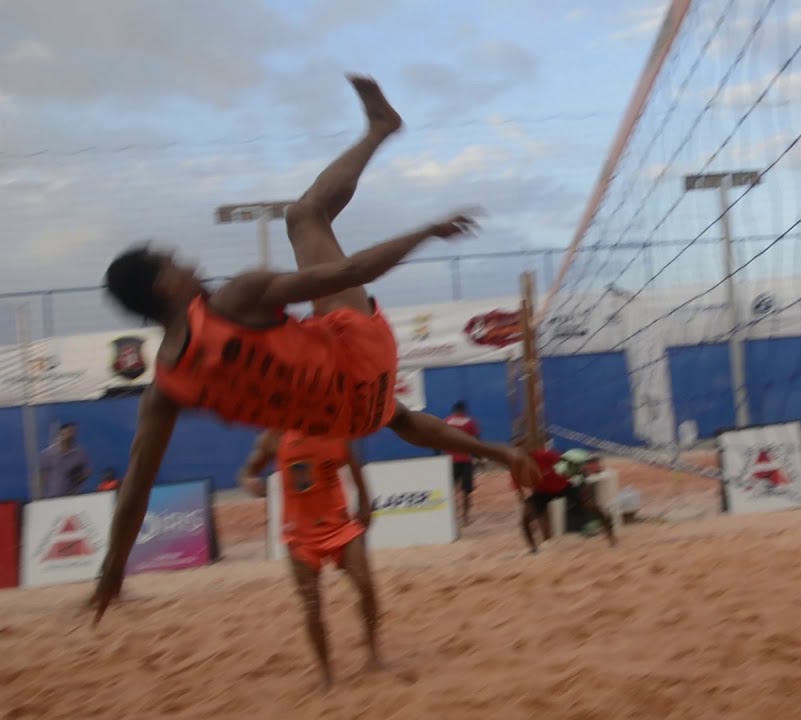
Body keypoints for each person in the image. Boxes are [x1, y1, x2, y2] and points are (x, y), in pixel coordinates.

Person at [90, 74, 538, 622]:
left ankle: (501, 454)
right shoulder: (235, 298)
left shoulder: (163, 390)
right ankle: (380, 129)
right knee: (303, 216)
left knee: (395, 416)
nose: (191, 264)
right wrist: (424, 232)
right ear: (165, 284)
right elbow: (351, 271)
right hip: (359, 352)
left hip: (346, 416)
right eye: (177, 262)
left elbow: (136, 486)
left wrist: (112, 570)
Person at [238, 430, 378, 691]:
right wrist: (249, 480)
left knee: (366, 586)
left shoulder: (334, 430)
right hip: (299, 534)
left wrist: (365, 505)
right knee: (312, 604)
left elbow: (355, 466)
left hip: (339, 525)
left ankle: (373, 656)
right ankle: (326, 675)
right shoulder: (274, 436)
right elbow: (248, 470)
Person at [519, 447, 616, 554]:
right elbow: (522, 489)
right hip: (543, 491)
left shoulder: (544, 456)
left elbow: (568, 463)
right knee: (525, 520)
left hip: (562, 485)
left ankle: (611, 535)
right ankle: (533, 549)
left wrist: (584, 485)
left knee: (592, 506)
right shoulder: (521, 467)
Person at [444, 401, 480, 527]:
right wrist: (478, 457)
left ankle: (451, 517)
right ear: (463, 410)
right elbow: (476, 441)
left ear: (454, 410)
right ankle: (465, 518)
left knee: (450, 489)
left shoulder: (446, 421)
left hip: (450, 460)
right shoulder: (469, 422)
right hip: (465, 460)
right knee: (466, 491)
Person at [39, 422, 91, 498]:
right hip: (53, 496)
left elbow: (87, 472)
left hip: (74, 496)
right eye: (68, 432)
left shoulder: (80, 453)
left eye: (73, 432)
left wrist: (79, 478)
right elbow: (42, 477)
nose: (71, 435)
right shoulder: (47, 454)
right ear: (60, 434)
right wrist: (41, 496)